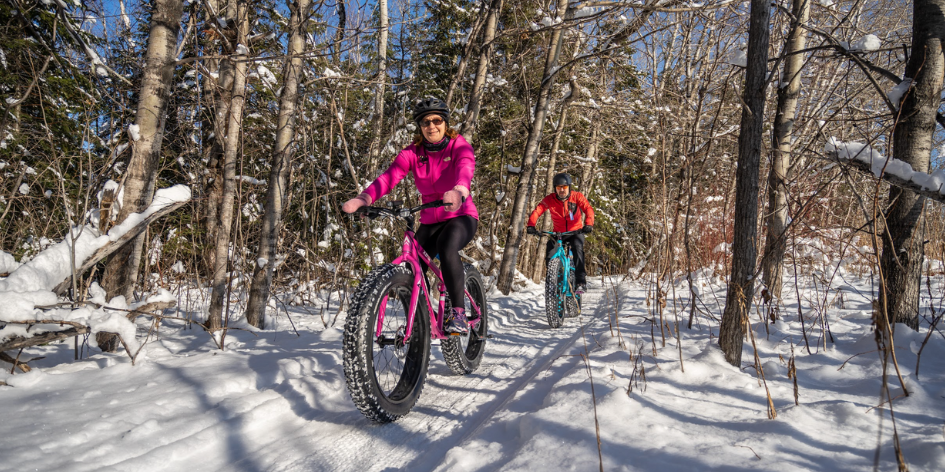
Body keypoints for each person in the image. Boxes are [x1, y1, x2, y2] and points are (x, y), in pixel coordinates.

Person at [342, 97, 478, 335]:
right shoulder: (413, 153)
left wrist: (459, 190)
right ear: (420, 126)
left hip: (460, 216)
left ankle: (458, 312)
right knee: (412, 266)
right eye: (425, 122)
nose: (431, 126)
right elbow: (389, 177)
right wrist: (365, 198)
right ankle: (421, 320)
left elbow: (465, 168)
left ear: (445, 123)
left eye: (437, 120)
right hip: (430, 221)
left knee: (447, 246)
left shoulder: (458, 145)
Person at [526, 173, 594, 293]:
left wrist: (588, 224)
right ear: (555, 188)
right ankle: (554, 280)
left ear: (569, 187)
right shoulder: (550, 199)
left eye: (564, 187)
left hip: (575, 232)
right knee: (550, 251)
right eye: (559, 188)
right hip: (559, 233)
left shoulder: (577, 196)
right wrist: (531, 225)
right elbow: (538, 210)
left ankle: (580, 282)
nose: (562, 190)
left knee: (577, 248)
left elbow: (588, 209)